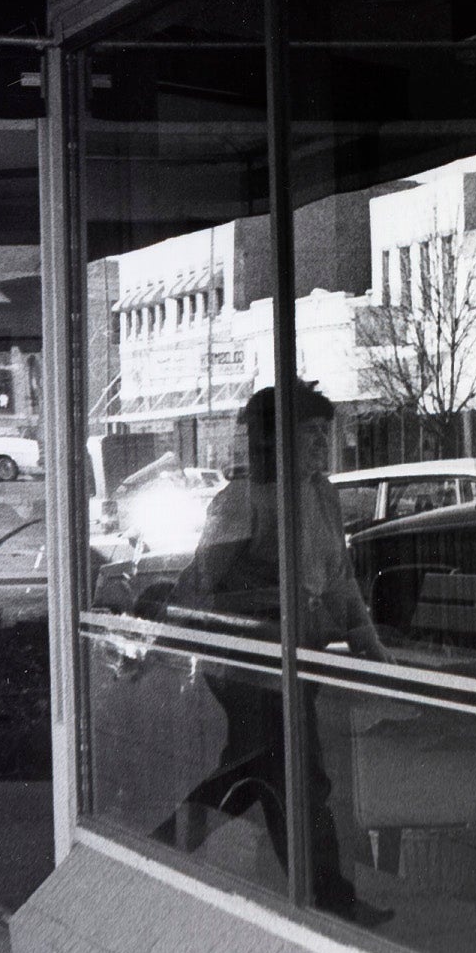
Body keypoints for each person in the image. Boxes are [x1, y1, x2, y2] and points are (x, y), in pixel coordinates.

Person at [152, 382, 391, 922]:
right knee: (299, 776)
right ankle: (330, 901)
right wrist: (155, 647)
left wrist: (370, 649)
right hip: (248, 665)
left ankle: (160, 849)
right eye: (307, 435)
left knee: (255, 776)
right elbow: (201, 581)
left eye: (324, 434)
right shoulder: (242, 500)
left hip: (294, 658)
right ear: (274, 440)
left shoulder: (324, 494)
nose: (319, 446)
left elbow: (340, 581)